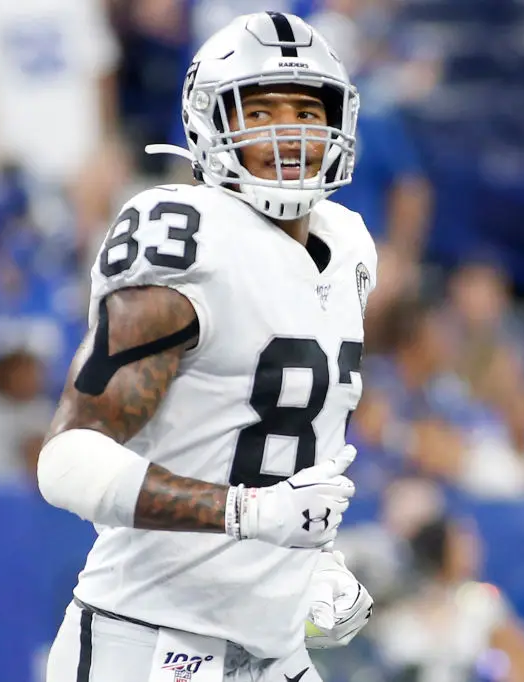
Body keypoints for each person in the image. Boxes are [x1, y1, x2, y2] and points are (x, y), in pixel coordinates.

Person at [37, 12, 377, 682]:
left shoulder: (350, 245)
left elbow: (277, 439)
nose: (289, 132)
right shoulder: (186, 238)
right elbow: (67, 460)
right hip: (146, 643)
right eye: (261, 111)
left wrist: (311, 563)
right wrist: (249, 513)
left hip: (272, 651)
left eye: (308, 111)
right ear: (211, 124)